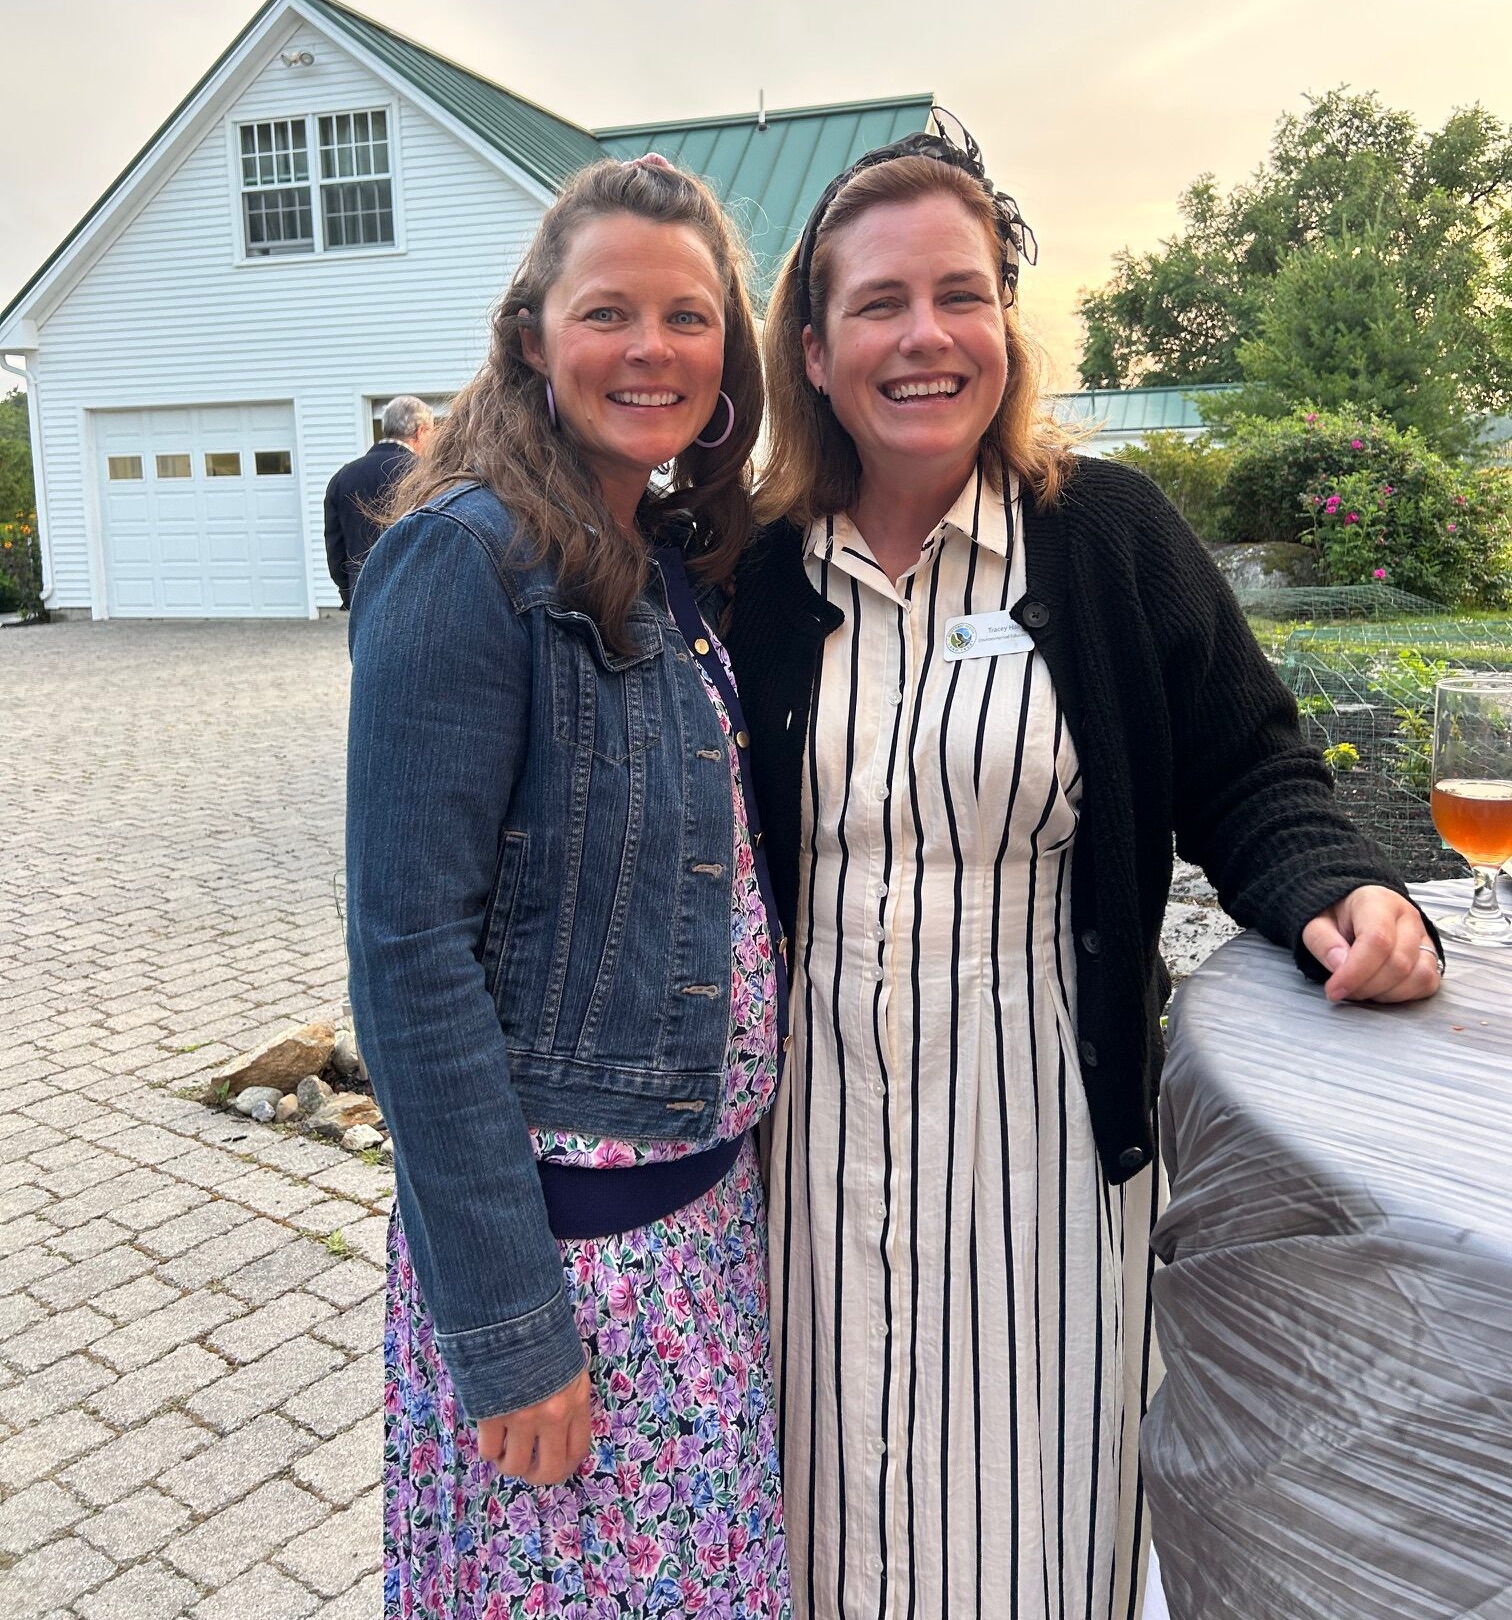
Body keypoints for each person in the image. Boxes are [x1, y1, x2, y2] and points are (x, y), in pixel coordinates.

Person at [722, 118, 1443, 1620]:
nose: (927, 336)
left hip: (1041, 1119)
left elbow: (1251, 769)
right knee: (814, 1497)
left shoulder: (1105, 538)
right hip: (805, 1130)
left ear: (1006, 323)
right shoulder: (752, 570)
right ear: (814, 349)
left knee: (1033, 1516)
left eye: (962, 294)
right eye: (880, 302)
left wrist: (1339, 890)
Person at [345, 156, 791, 1619]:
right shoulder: (464, 559)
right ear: (534, 335)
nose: (649, 348)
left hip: (699, 1242)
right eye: (608, 312)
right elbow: (408, 954)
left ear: (726, 355)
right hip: (572, 1272)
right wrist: (509, 1327)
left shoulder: (656, 558)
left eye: (686, 316)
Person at [324, 395, 435, 607]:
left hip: (362, 599)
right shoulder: (426, 475)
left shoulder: (344, 476)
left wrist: (349, 594)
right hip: (415, 600)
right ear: (420, 431)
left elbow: (335, 549)